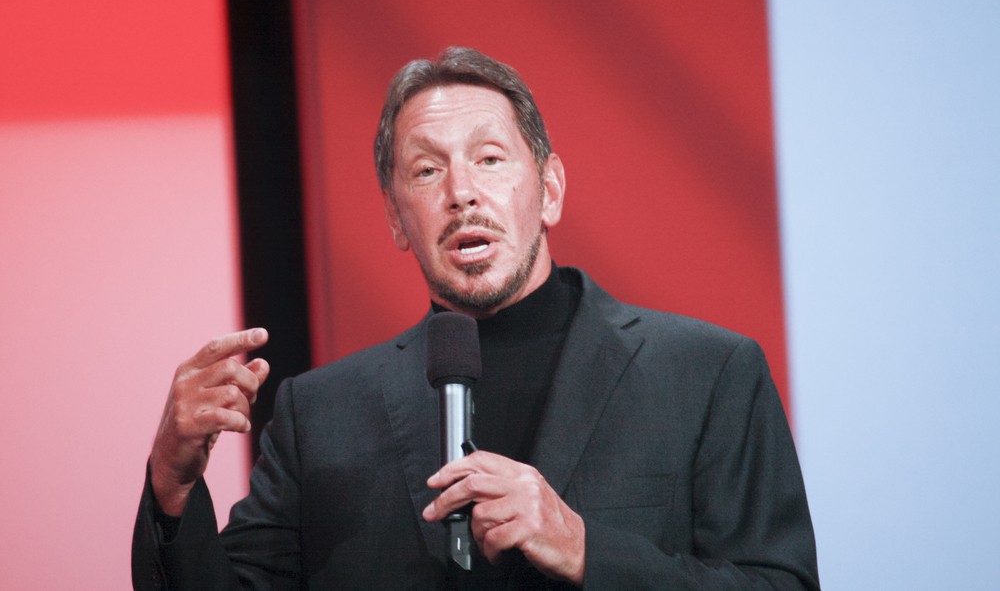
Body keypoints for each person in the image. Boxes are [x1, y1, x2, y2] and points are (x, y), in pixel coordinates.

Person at [132, 47, 820, 589]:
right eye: (427, 171)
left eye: (489, 159)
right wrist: (172, 481)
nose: (462, 192)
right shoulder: (320, 415)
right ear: (396, 218)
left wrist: (585, 548)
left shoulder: (705, 374)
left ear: (549, 189)